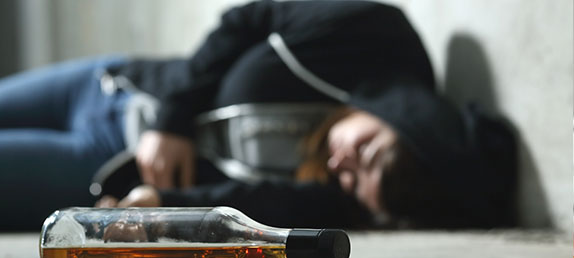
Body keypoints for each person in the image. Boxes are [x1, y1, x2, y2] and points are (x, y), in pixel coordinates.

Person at [0, 0, 516, 230]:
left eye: (357, 183)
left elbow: (255, 204)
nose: (343, 167)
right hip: (111, 85)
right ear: (410, 119)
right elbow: (249, 18)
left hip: (100, 164)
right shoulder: (377, 37)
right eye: (367, 152)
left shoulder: (338, 195)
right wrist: (172, 120)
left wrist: (162, 203)